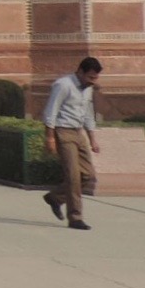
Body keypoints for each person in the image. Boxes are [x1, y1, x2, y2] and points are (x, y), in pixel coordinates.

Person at [42, 56, 102, 231]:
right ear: (80, 72)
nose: (92, 82)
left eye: (95, 78)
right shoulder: (63, 85)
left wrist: (92, 139)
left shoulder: (87, 88)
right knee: (73, 176)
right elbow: (51, 111)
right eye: (90, 77)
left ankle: (55, 197)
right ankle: (75, 217)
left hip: (78, 132)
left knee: (88, 176)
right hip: (63, 131)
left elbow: (88, 113)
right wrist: (50, 138)